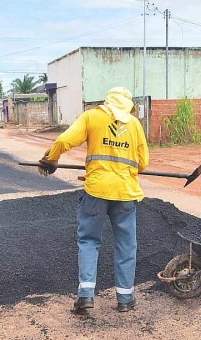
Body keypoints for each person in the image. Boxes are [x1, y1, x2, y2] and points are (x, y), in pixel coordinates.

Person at [38, 87, 149, 312]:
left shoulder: (92, 117)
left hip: (96, 190)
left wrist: (51, 159)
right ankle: (125, 300)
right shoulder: (134, 125)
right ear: (128, 105)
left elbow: (64, 140)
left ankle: (86, 296)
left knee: (89, 241)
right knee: (126, 246)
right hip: (125, 193)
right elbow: (143, 162)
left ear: (107, 101)